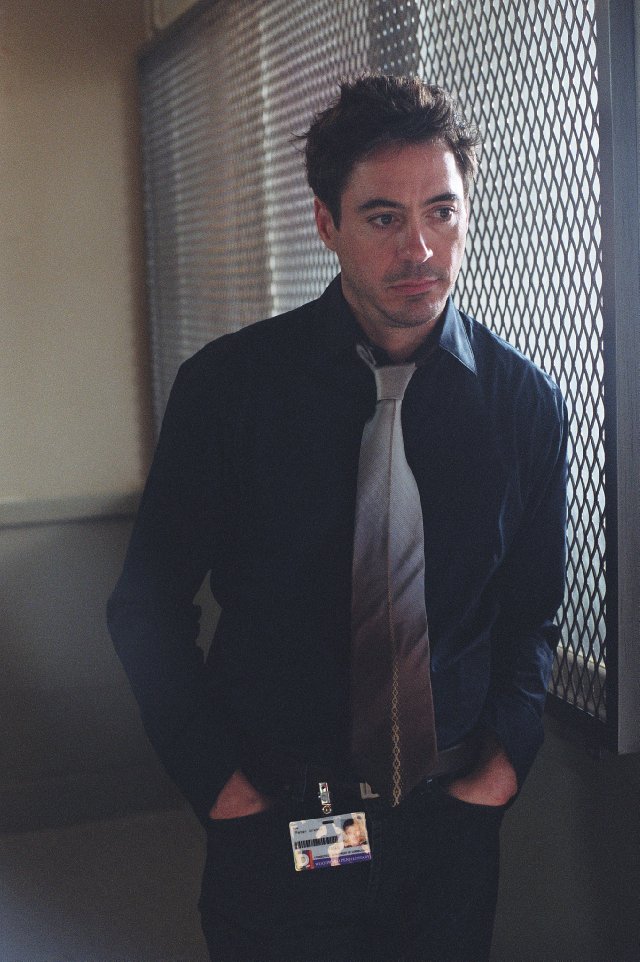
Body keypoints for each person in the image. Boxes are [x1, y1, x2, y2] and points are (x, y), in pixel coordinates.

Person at [108, 75, 568, 962]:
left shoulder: (523, 405)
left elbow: (530, 615)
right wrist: (224, 792)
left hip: (445, 822)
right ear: (327, 224)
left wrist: (500, 771)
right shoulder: (230, 391)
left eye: (441, 212)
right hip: (288, 816)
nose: (420, 248)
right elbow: (145, 608)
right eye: (384, 217)